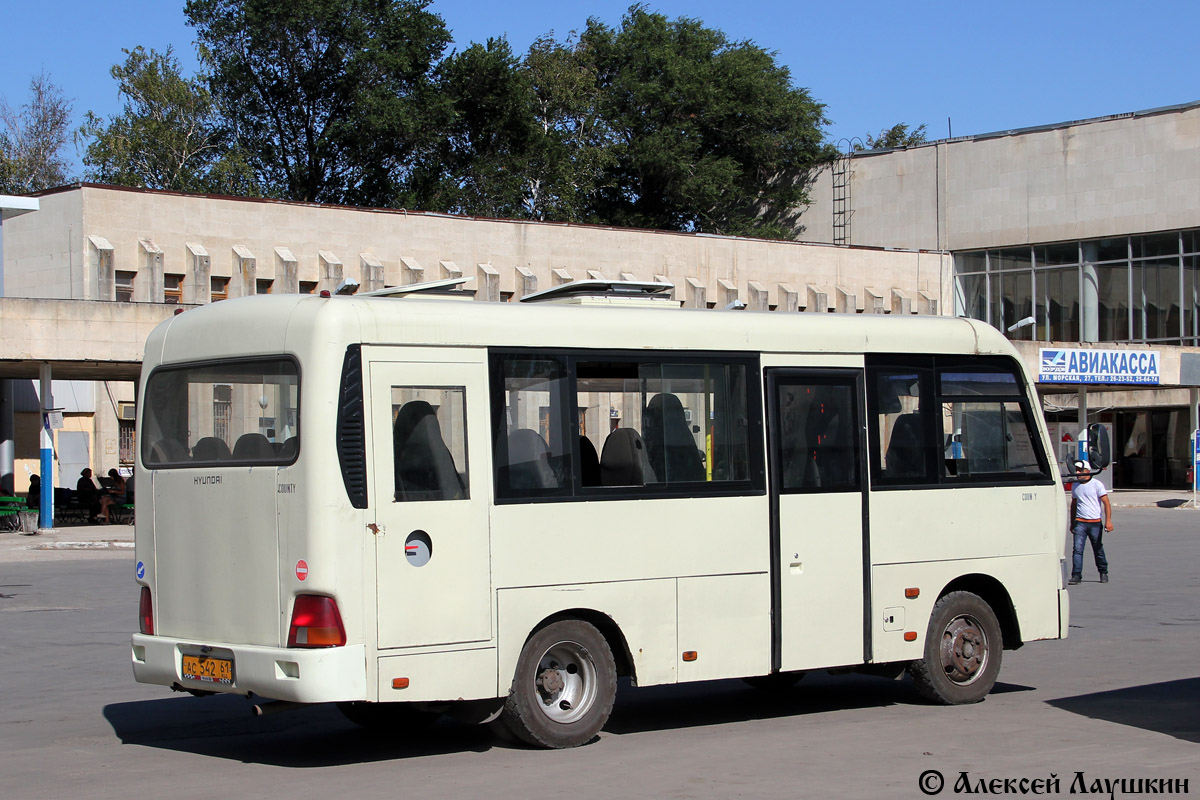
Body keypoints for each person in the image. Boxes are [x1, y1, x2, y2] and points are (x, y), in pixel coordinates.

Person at [1068, 459, 1112, 585]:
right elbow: (1074, 504)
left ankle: (1103, 572)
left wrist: (1108, 521)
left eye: (1080, 470)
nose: (1077, 472)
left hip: (1095, 523)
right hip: (1080, 523)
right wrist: (1072, 522)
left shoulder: (1097, 485)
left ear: (1087, 471)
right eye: (1076, 470)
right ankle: (1076, 575)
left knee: (1098, 549)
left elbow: (1106, 503)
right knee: (1077, 550)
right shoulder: (1075, 485)